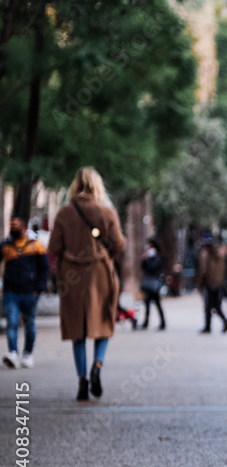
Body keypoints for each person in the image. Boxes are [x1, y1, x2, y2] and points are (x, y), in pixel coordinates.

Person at [49, 166, 126, 401]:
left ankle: (82, 381)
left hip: (71, 275)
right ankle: (97, 366)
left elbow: (54, 247)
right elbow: (119, 244)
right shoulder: (106, 211)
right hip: (100, 273)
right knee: (104, 320)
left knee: (77, 330)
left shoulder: (64, 213)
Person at [1, 216, 49, 369]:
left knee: (30, 324)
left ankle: (28, 354)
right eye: (11, 225)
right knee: (12, 322)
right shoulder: (6, 245)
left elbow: (44, 268)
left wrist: (39, 288)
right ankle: (13, 353)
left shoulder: (36, 245)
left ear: (23, 227)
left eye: (15, 225)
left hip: (30, 292)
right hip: (10, 292)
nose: (12, 228)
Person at [194, 234, 227, 334]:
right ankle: (220, 322)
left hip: (208, 283)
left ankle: (210, 326)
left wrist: (199, 282)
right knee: (214, 304)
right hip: (218, 283)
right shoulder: (220, 253)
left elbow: (203, 270)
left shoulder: (205, 253)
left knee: (209, 305)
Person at [139, 238, 166, 330]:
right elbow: (143, 268)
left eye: (149, 244)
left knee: (157, 303)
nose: (148, 246)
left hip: (154, 284)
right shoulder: (148, 256)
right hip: (148, 283)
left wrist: (147, 260)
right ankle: (146, 322)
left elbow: (152, 268)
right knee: (147, 303)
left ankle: (162, 322)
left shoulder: (157, 257)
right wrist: (144, 259)